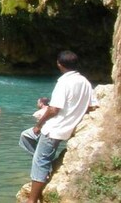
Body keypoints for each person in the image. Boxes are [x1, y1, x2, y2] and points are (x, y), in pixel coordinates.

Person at [19, 51, 98, 203]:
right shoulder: (85, 82)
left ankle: (32, 199)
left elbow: (54, 109)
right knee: (25, 136)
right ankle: (45, 168)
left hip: (54, 129)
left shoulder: (63, 82)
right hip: (69, 127)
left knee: (39, 161)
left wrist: (39, 125)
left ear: (59, 64)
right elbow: (91, 106)